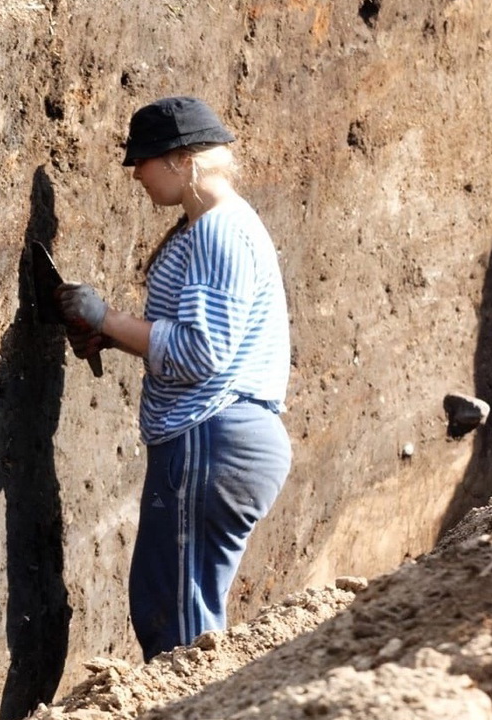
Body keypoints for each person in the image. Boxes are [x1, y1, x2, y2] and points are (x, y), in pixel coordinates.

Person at [57, 96, 292, 661]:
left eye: (146, 160)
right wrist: (114, 337)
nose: (136, 173)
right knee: (177, 605)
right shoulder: (213, 228)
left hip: (212, 438)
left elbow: (201, 353)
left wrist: (108, 317)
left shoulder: (218, 232)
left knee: (178, 622)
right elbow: (196, 338)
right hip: (216, 438)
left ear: (184, 160)